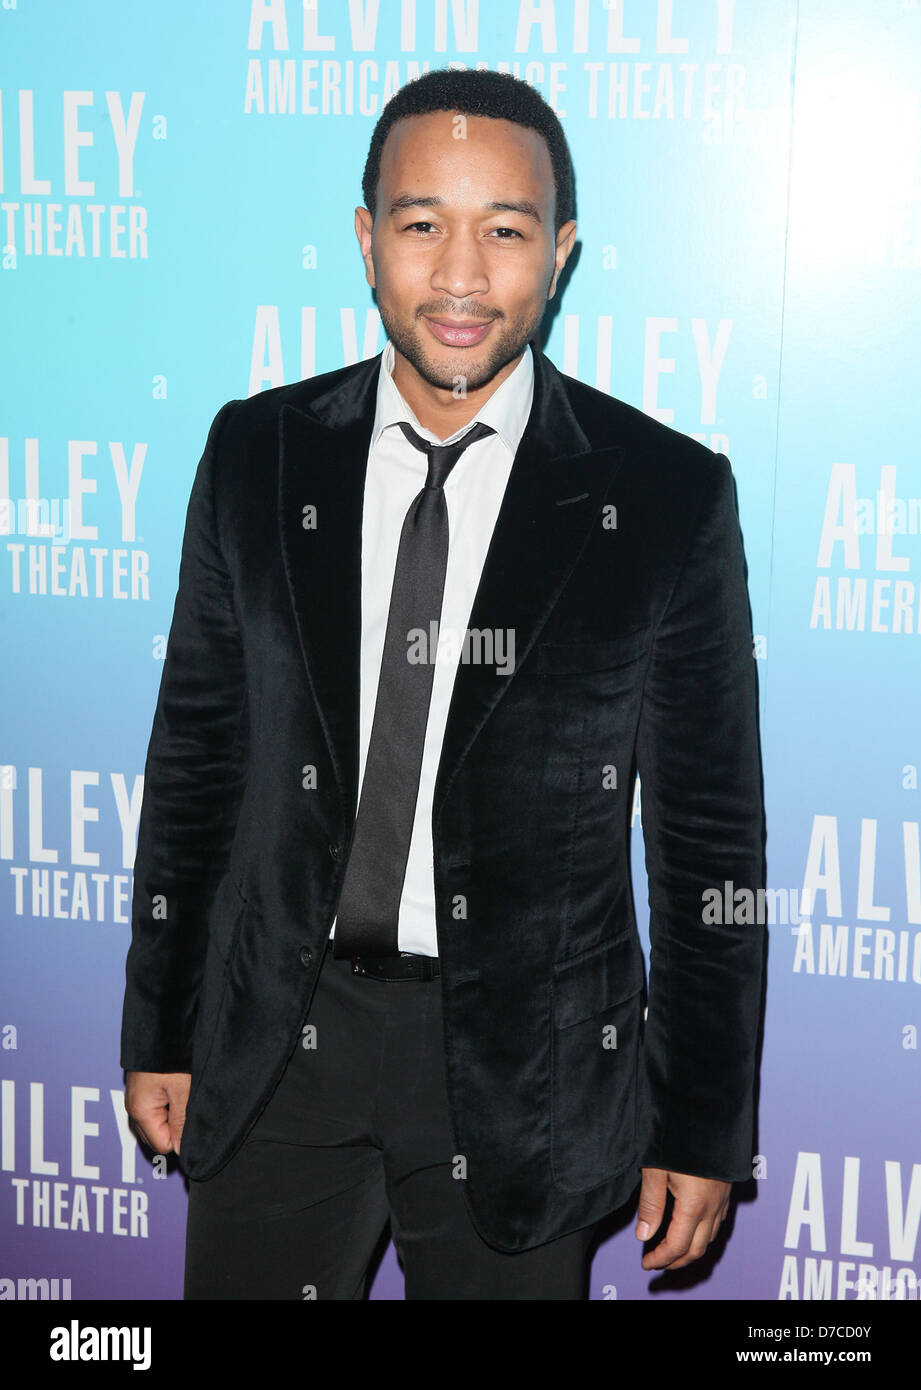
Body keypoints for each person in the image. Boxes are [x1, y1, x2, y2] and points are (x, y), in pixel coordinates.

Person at [121, 67, 766, 1301]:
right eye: (422, 224)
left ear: (562, 251)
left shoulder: (666, 496)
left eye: (506, 230)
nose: (461, 276)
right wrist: (160, 1023)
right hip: (277, 1051)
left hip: (525, 1074)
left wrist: (703, 1121)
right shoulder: (255, 453)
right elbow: (197, 759)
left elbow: (709, 841)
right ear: (367, 240)